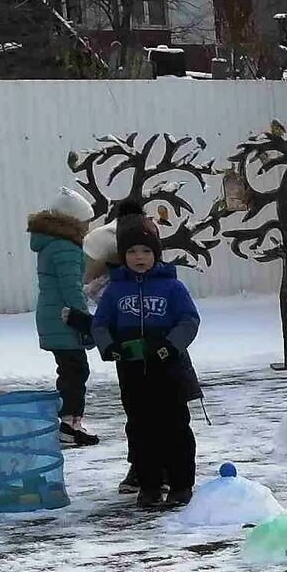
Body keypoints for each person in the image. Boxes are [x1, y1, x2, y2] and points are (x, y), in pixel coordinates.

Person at [89, 212, 202, 509]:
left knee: (175, 427)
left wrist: (169, 345)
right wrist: (110, 347)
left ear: (156, 254)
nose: (139, 257)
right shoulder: (115, 290)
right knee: (141, 429)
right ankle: (149, 485)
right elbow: (99, 325)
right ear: (123, 255)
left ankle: (181, 484)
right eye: (132, 251)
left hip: (169, 371)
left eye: (146, 251)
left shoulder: (172, 287)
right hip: (132, 372)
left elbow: (189, 320)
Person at [28, 184, 98, 446]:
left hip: (53, 316)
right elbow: (71, 288)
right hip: (64, 318)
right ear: (73, 221)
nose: (88, 227)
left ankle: (70, 422)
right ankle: (70, 424)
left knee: (69, 370)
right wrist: (83, 320)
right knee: (75, 371)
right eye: (86, 221)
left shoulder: (51, 244)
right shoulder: (65, 248)